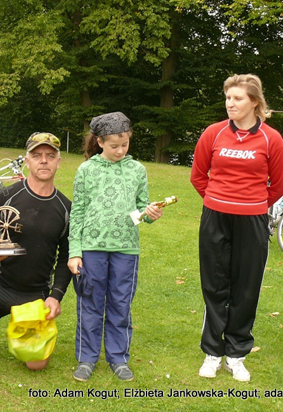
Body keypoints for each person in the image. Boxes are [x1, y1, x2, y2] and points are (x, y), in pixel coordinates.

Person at [190, 74, 283, 382]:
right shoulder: (213, 133)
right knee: (215, 284)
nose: (230, 103)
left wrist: (251, 204)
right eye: (228, 98)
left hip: (253, 221)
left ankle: (236, 353)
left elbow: (279, 185)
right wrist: (219, 201)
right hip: (215, 218)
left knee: (245, 287)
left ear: (255, 103)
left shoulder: (271, 138)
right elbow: (198, 176)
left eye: (238, 99)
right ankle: (212, 351)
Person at [0, 132, 71, 370]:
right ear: (27, 161)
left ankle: (20, 326)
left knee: (36, 365)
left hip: (34, 294)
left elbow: (66, 258)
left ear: (58, 162)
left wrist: (55, 296)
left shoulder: (64, 208)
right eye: (37, 155)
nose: (44, 161)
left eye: (50, 156)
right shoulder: (9, 195)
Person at [67, 112, 163, 382]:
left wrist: (151, 214)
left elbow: (143, 208)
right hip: (92, 248)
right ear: (99, 142)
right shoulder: (86, 170)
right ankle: (87, 358)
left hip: (126, 249)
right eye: (114, 146)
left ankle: (118, 358)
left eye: (125, 145)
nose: (120, 151)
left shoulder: (137, 170)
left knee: (121, 303)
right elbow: (78, 214)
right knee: (91, 303)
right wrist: (75, 251)